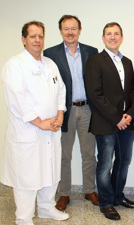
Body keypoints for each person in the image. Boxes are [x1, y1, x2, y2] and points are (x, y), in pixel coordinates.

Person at [1, 21, 69, 225]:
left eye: (40, 36)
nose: (37, 40)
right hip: (28, 131)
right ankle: (24, 217)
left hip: (51, 129)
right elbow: (17, 100)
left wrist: (60, 116)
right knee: (27, 176)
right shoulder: (15, 65)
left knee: (50, 170)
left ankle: (47, 207)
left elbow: (61, 91)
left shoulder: (50, 64)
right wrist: (40, 123)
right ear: (24, 40)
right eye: (33, 36)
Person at [84, 22, 134, 221]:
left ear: (122, 37)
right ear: (103, 38)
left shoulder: (128, 62)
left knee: (123, 162)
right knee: (105, 164)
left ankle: (117, 196)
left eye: (116, 34)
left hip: (126, 122)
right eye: (109, 34)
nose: (113, 37)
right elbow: (95, 95)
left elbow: (132, 92)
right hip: (106, 123)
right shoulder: (95, 61)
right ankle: (106, 202)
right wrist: (117, 118)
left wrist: (129, 115)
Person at [43, 15, 99, 211]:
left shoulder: (92, 52)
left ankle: (89, 190)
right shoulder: (50, 53)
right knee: (64, 155)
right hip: (64, 111)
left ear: (80, 30)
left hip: (87, 110)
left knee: (89, 154)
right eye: (66, 29)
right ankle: (64, 193)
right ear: (60, 31)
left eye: (73, 28)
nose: (70, 32)